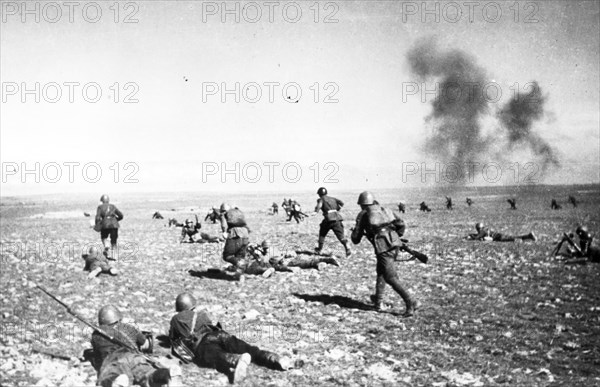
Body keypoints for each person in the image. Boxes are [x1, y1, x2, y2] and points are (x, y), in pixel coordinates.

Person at [169, 293, 292, 384]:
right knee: (248, 348)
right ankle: (275, 359)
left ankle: (236, 360)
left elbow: (174, 341)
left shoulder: (175, 319)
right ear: (192, 304)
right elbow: (209, 324)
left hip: (202, 343)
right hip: (219, 334)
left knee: (218, 355)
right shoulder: (200, 314)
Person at [351, 191, 419, 317]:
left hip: (383, 248)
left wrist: (356, 230)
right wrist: (395, 236)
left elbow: (355, 239)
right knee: (381, 272)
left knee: (390, 277)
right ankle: (378, 302)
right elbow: (401, 224)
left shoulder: (363, 214)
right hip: (395, 244)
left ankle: (411, 302)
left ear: (362, 204)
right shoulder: (385, 210)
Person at [91, 305, 173, 387]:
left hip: (112, 359)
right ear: (118, 316)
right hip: (132, 356)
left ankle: (117, 381)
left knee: (109, 375)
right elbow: (146, 344)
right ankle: (162, 375)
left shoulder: (96, 334)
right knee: (144, 371)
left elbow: (98, 356)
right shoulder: (127, 327)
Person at [244, 240, 340, 277]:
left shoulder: (269, 251)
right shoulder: (273, 248)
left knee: (306, 263)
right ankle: (324, 260)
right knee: (307, 262)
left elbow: (264, 260)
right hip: (286, 259)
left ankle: (327, 260)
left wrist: (256, 254)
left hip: (286, 262)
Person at [314, 187, 351, 257]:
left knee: (322, 233)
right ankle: (347, 246)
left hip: (328, 219)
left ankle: (319, 249)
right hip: (337, 218)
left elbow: (319, 206)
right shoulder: (333, 199)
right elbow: (341, 203)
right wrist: (336, 209)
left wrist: (316, 212)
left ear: (319, 194)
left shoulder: (321, 199)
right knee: (341, 236)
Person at [219, 203, 250, 279]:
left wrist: (224, 232)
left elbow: (224, 224)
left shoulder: (225, 213)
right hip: (245, 234)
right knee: (239, 256)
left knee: (227, 255)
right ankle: (239, 275)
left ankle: (239, 264)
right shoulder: (238, 212)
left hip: (234, 234)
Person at [95, 195, 124, 260]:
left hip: (105, 224)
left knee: (104, 237)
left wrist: (97, 224)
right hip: (114, 224)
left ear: (102, 200)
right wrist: (116, 220)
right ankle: (114, 256)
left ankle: (106, 244)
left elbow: (97, 217)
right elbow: (121, 215)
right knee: (114, 241)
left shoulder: (100, 207)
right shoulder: (113, 206)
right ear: (108, 200)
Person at [465, 222, 536, 242]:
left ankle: (529, 236)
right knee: (514, 237)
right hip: (499, 235)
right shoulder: (485, 230)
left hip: (499, 238)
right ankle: (528, 236)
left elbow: (477, 237)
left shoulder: (482, 231)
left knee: (513, 238)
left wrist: (470, 236)